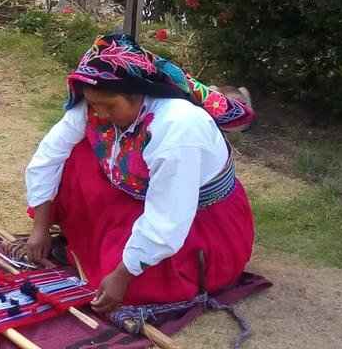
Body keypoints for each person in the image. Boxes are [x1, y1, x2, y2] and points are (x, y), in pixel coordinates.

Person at [24, 33, 256, 315]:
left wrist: (123, 275)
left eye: (109, 106)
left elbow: (168, 219)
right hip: (141, 196)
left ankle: (116, 259)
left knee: (127, 287)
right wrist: (40, 228)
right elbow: (48, 157)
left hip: (199, 223)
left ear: (137, 94)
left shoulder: (178, 127)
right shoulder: (96, 103)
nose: (100, 113)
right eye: (94, 104)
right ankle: (91, 243)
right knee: (76, 156)